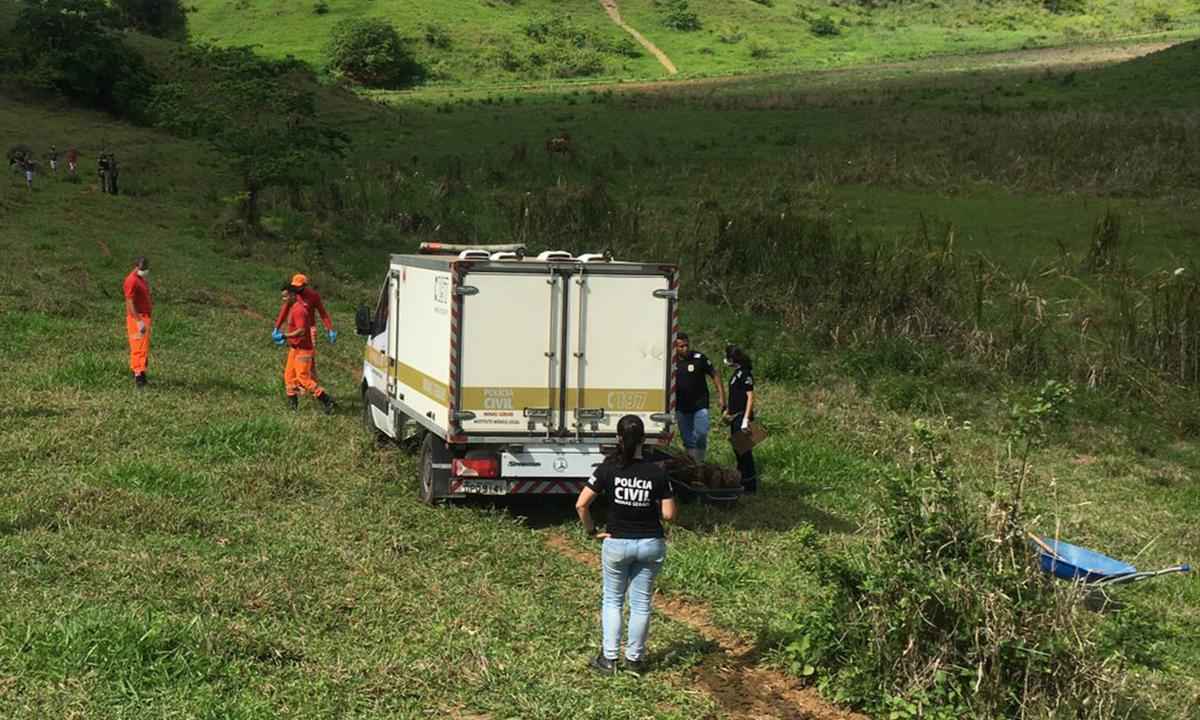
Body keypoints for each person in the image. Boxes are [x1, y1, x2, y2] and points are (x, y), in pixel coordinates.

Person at [575, 415, 677, 676]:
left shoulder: (608, 468)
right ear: (644, 439)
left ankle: (609, 659)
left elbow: (581, 504)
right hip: (651, 544)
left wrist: (591, 531)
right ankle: (635, 659)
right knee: (641, 603)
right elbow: (668, 515)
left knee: (612, 600)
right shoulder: (657, 473)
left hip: (617, 543)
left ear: (619, 438)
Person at [277, 283, 336, 414]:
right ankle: (293, 410)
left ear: (293, 295)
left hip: (303, 350)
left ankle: (327, 400)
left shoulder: (300, 310)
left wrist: (284, 335)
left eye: (285, 296)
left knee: (303, 378)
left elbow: (302, 331)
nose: (284, 299)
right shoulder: (292, 307)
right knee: (289, 377)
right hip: (294, 348)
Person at [673, 332, 725, 463]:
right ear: (675, 347)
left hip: (700, 405)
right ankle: (693, 467)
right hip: (681, 407)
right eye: (681, 346)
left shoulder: (699, 358)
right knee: (687, 440)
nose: (685, 348)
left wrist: (722, 397)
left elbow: (714, 374)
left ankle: (700, 462)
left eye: (686, 345)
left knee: (701, 434)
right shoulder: (670, 362)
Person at [722, 344, 757, 493]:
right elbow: (734, 395)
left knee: (745, 452)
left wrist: (746, 419)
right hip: (735, 416)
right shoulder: (736, 373)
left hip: (743, 417)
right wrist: (728, 412)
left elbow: (750, 397)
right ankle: (741, 479)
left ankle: (750, 485)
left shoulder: (745, 374)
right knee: (738, 450)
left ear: (732, 359)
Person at [274, 273, 336, 352]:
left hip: (309, 328)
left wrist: (330, 329)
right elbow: (284, 311)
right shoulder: (293, 295)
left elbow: (323, 313)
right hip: (294, 326)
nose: (296, 288)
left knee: (308, 352)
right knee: (294, 349)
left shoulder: (313, 296)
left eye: (298, 286)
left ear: (304, 285)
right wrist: (277, 327)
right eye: (294, 285)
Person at [123, 257, 153, 388]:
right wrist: (138, 321)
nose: (145, 271)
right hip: (137, 318)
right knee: (138, 347)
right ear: (136, 266)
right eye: (142, 268)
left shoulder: (140, 279)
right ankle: (138, 376)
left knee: (143, 347)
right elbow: (130, 303)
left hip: (144, 316)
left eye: (146, 268)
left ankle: (142, 372)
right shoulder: (131, 280)